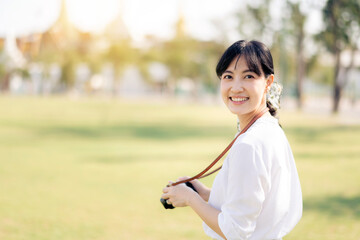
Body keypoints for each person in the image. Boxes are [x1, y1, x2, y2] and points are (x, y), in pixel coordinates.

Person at [161, 40, 302, 240]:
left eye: (248, 76)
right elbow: (252, 203)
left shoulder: (250, 145)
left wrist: (190, 198)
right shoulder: (270, 129)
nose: (236, 87)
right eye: (228, 76)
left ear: (268, 82)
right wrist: (205, 194)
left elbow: (235, 231)